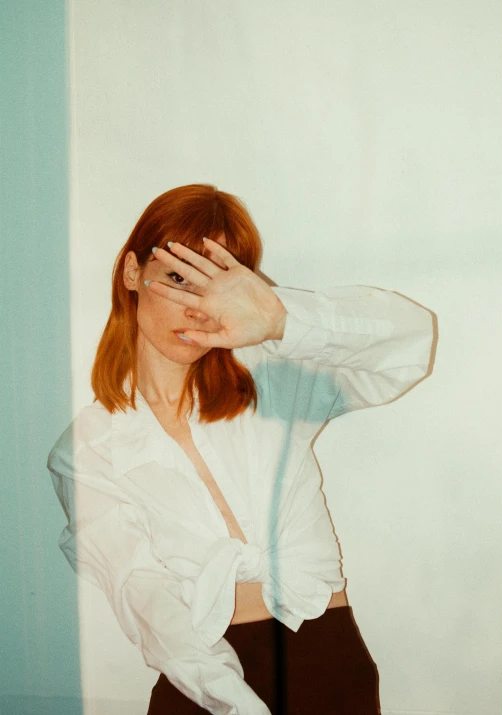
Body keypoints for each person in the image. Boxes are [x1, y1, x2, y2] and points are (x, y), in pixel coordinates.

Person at [47, 184, 434, 714]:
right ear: (132, 272)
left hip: (327, 664)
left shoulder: (271, 378)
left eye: (216, 284)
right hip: (202, 682)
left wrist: (277, 319)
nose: (196, 309)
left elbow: (408, 345)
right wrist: (237, 704)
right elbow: (146, 600)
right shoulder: (88, 448)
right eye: (178, 278)